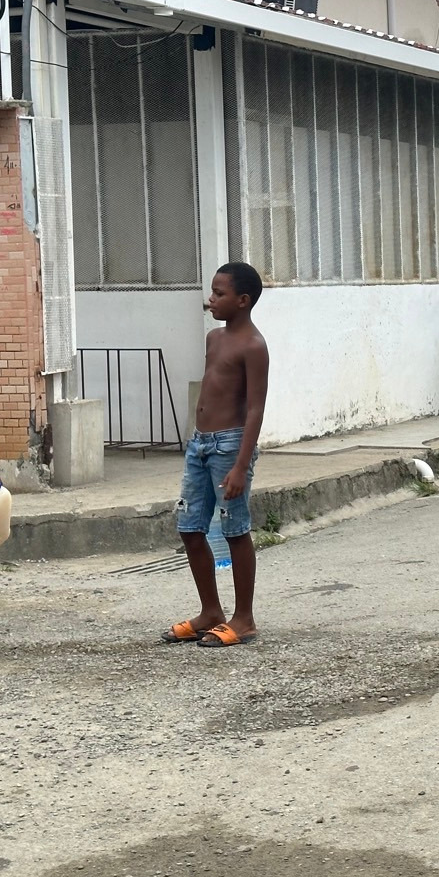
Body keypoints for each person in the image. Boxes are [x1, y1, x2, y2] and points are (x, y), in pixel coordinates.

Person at [163, 263, 270, 647]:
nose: (211, 300)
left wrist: (241, 464)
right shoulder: (213, 339)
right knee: (190, 528)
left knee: (234, 530)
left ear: (242, 301)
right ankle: (211, 611)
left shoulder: (253, 346)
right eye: (212, 292)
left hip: (230, 446)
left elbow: (255, 407)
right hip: (200, 444)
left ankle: (244, 619)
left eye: (219, 294)